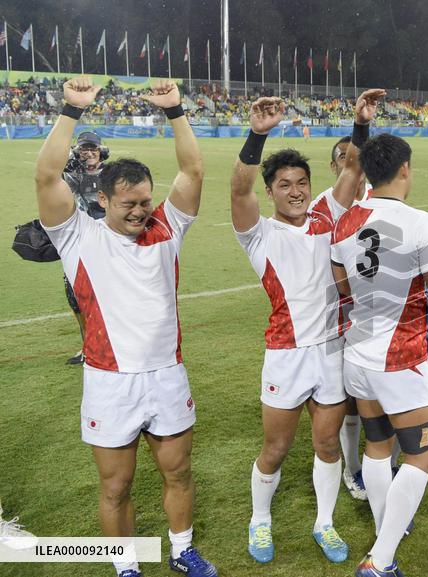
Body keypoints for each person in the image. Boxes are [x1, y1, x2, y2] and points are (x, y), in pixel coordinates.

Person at [35, 76, 216, 577]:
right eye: (127, 204)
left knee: (178, 472)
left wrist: (176, 110)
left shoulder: (167, 229)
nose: (139, 212)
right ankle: (125, 564)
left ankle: (182, 550)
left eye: (145, 202)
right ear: (104, 199)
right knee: (115, 486)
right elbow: (46, 177)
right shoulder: (77, 236)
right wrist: (72, 111)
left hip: (166, 375)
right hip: (108, 381)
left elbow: (194, 169)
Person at [229, 92, 380, 564]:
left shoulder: (324, 216)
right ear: (271, 191)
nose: (294, 191)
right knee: (274, 447)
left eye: (301, 183)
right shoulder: (259, 234)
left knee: (327, 444)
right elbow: (238, 189)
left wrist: (359, 124)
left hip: (330, 351)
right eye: (284, 184)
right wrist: (257, 134)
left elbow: (353, 172)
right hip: (286, 353)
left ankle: (325, 523)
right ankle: (260, 519)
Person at [331, 131, 428, 577]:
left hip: (357, 353)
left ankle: (386, 533)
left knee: (378, 445)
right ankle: (380, 561)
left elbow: (342, 287)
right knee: (423, 454)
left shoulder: (343, 221)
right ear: (405, 169)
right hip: (401, 355)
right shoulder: (422, 222)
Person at [309, 135, 377, 502]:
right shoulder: (323, 205)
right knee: (346, 400)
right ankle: (352, 470)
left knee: (371, 398)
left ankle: (373, 464)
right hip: (335, 317)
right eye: (345, 157)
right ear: (336, 166)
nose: (355, 162)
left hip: (373, 318)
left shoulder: (380, 200)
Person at [62, 131, 108, 365]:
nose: (89, 153)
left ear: (102, 151)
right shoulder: (68, 175)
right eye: (83, 149)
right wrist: (65, 165)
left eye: (93, 149)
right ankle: (88, 347)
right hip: (76, 245)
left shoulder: (112, 174)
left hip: (107, 245)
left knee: (108, 297)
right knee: (75, 299)